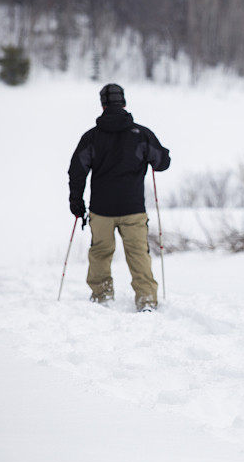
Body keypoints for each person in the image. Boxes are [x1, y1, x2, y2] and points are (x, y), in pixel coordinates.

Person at [68, 83, 171, 312]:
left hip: (101, 210)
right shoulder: (141, 134)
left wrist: (77, 203)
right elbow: (162, 163)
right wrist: (162, 155)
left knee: (100, 253)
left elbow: (77, 170)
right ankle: (146, 299)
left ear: (103, 105)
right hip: (133, 208)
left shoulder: (92, 137)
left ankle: (101, 295)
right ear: (123, 103)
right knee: (138, 254)